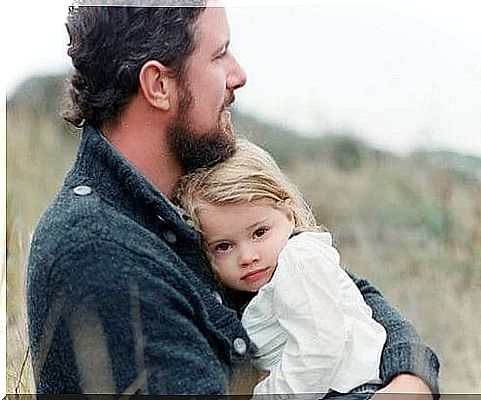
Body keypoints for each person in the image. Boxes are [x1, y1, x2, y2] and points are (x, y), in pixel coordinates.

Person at [26, 1, 440, 396]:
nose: (238, 74)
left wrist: (411, 379)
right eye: (219, 54)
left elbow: (347, 293)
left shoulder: (192, 191)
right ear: (158, 85)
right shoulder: (99, 253)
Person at [176, 138, 392, 396]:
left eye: (259, 233)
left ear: (289, 216)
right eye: (224, 246)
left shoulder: (299, 259)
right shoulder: (244, 291)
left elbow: (319, 350)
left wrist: (266, 394)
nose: (247, 256)